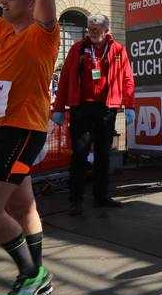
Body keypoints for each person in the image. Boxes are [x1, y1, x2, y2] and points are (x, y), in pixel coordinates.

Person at [0, 0, 59, 295]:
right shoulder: (5, 31)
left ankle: (29, 274)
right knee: (22, 206)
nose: (3, 3)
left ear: (30, 5)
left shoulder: (42, 34)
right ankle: (40, 276)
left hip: (22, 131)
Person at [52, 13, 137, 215]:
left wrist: (130, 106)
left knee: (103, 154)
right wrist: (58, 108)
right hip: (81, 108)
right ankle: (76, 200)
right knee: (79, 154)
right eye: (89, 28)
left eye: (95, 29)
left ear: (106, 30)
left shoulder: (118, 50)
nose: (90, 32)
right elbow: (65, 78)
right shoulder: (77, 48)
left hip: (106, 109)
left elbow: (127, 79)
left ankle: (101, 196)